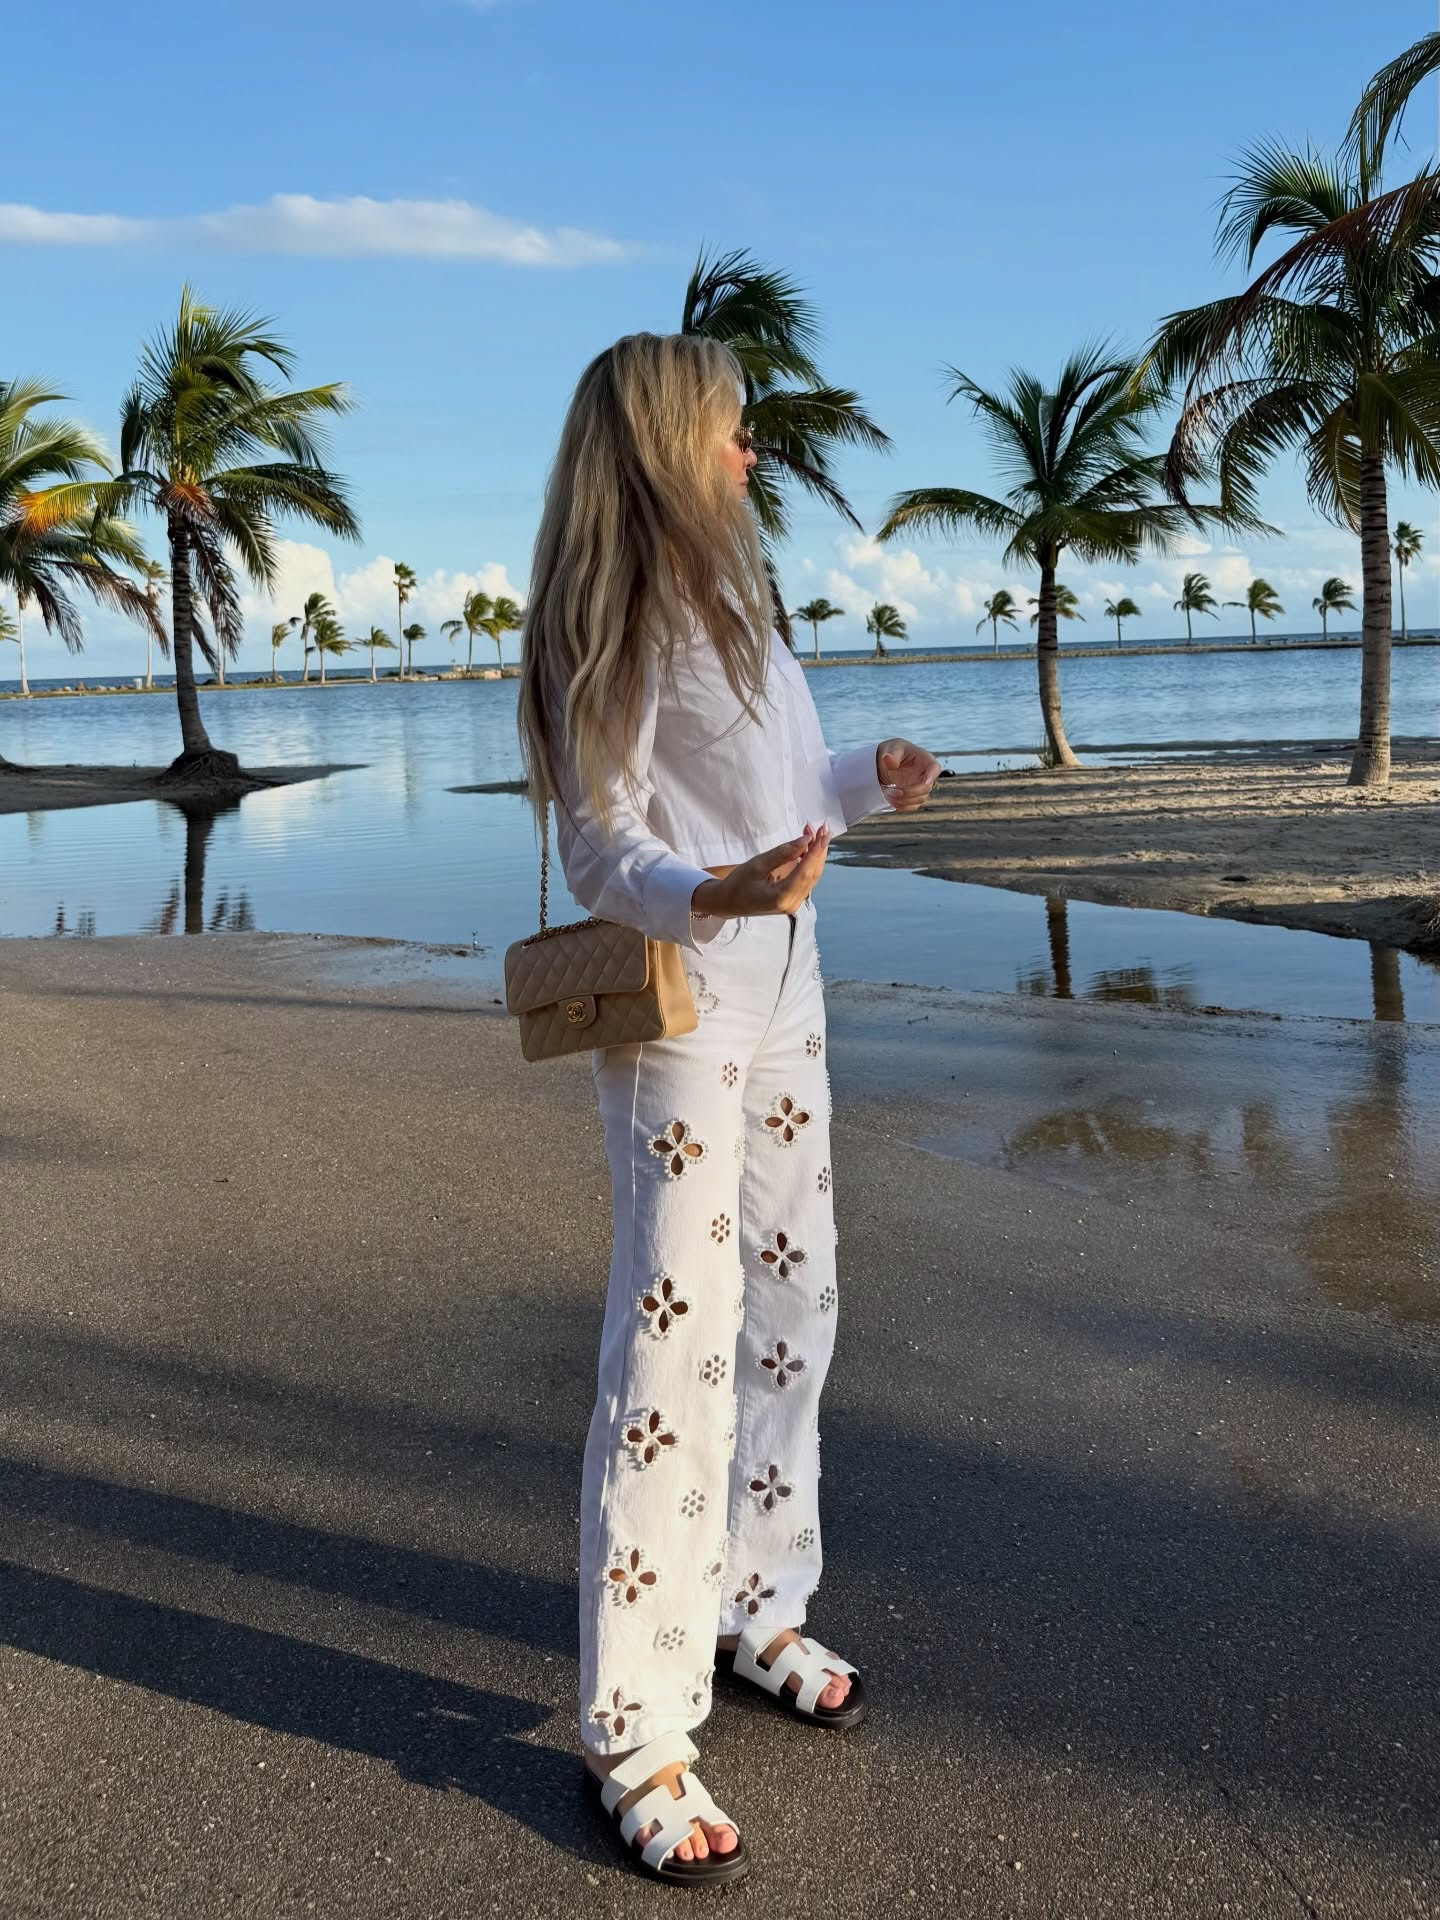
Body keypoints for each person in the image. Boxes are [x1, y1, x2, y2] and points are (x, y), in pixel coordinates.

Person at [517, 331, 940, 1887]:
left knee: (797, 1307)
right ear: (663, 443)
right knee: (673, 1338)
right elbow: (602, 840)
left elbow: (780, 797)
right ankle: (633, 1724)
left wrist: (863, 778)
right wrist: (709, 892)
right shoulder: (611, 613)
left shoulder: (743, 601)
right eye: (732, 432)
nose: (750, 456)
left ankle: (756, 1601)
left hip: (789, 987)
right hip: (683, 1008)